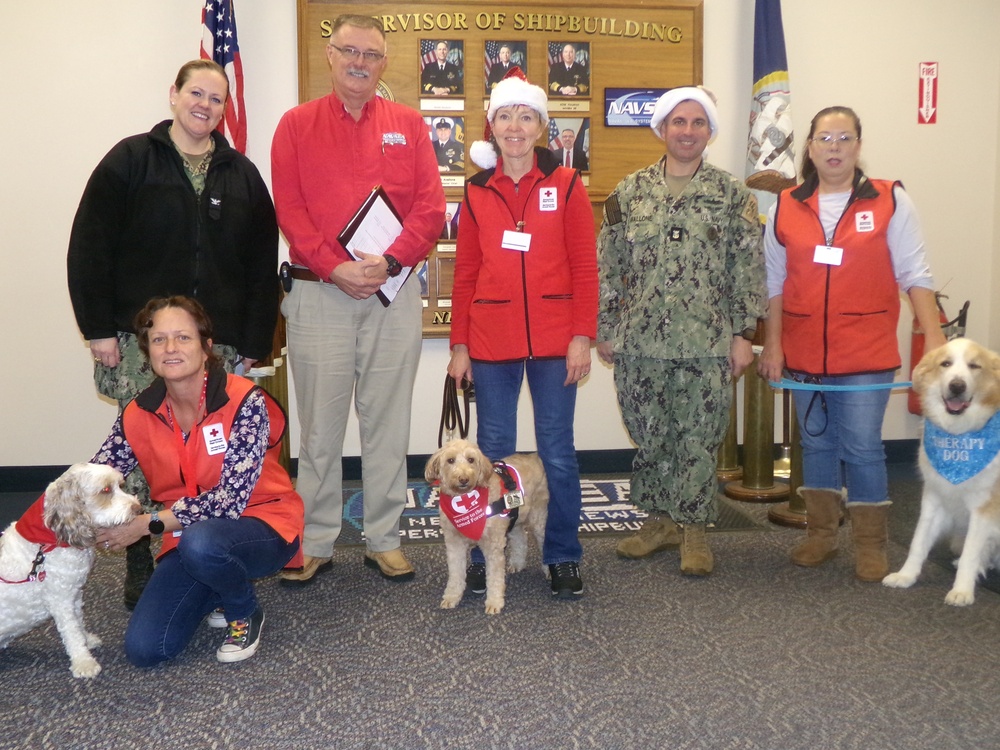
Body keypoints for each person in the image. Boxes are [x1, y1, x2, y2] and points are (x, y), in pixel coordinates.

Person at [66, 59, 279, 609]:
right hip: (139, 345)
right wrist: (97, 329)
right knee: (142, 454)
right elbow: (90, 246)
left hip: (220, 343)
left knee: (216, 454)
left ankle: (207, 554)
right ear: (174, 95)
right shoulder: (130, 161)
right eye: (196, 93)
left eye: (216, 98)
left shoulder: (242, 174)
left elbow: (261, 265)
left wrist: (256, 342)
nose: (205, 105)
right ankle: (144, 559)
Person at [271, 14, 445, 586]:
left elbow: (430, 207)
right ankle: (316, 539)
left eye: (371, 54)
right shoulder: (294, 125)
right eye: (350, 50)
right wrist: (335, 266)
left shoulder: (410, 126)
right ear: (330, 54)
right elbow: (290, 210)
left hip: (391, 295)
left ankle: (385, 539)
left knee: (387, 424)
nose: (360, 62)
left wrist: (390, 262)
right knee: (319, 429)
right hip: (320, 294)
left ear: (384, 62)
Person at [758, 106, 946, 582]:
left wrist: (938, 345)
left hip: (865, 350)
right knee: (817, 445)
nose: (834, 147)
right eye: (825, 138)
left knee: (862, 446)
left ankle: (871, 543)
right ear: (810, 148)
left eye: (844, 138)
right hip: (804, 353)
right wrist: (774, 346)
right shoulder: (786, 204)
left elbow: (914, 274)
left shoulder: (890, 199)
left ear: (859, 146)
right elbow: (774, 284)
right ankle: (821, 535)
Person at [597, 87, 766, 576]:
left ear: (709, 132)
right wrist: (606, 328)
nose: (687, 131)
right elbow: (609, 268)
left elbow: (747, 269)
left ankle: (693, 529)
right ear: (662, 130)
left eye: (697, 123)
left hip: (706, 342)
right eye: (678, 122)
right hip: (641, 342)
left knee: (697, 437)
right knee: (650, 435)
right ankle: (658, 522)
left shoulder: (731, 194)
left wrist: (743, 334)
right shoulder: (629, 193)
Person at [450, 71, 598, 598]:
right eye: (506, 116)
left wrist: (582, 334)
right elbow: (465, 272)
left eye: (526, 116)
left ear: (540, 127)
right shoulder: (475, 192)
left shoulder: (567, 184)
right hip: (491, 343)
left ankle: (561, 555)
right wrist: (459, 346)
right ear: (492, 126)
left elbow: (585, 265)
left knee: (557, 452)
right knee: (491, 452)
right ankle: (486, 547)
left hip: (558, 342)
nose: (515, 126)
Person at [93, 296, 303, 666]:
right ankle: (220, 585)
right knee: (146, 649)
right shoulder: (138, 412)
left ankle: (243, 611)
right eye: (159, 340)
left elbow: (228, 502)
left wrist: (147, 524)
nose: (170, 348)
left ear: (207, 348)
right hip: (186, 538)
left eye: (183, 338)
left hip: (262, 525)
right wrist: (38, 524)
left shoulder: (244, 400)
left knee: (202, 542)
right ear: (147, 351)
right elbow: (97, 475)